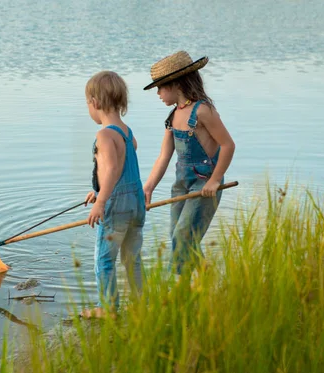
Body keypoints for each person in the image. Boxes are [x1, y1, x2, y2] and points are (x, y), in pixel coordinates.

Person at [142, 51, 235, 275]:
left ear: (176, 84)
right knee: (179, 235)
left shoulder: (203, 111)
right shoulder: (173, 116)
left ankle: (184, 290)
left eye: (160, 87)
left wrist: (214, 181)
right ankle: (207, 283)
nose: (158, 93)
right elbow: (164, 156)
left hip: (204, 185)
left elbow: (228, 145)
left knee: (183, 236)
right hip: (182, 184)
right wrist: (148, 187)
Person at [82, 71, 146, 318]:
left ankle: (107, 309)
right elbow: (120, 166)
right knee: (132, 258)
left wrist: (101, 201)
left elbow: (109, 168)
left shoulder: (104, 135)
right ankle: (140, 303)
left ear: (95, 103)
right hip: (136, 203)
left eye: (87, 103)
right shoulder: (127, 132)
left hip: (116, 206)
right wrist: (97, 190)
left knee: (104, 261)